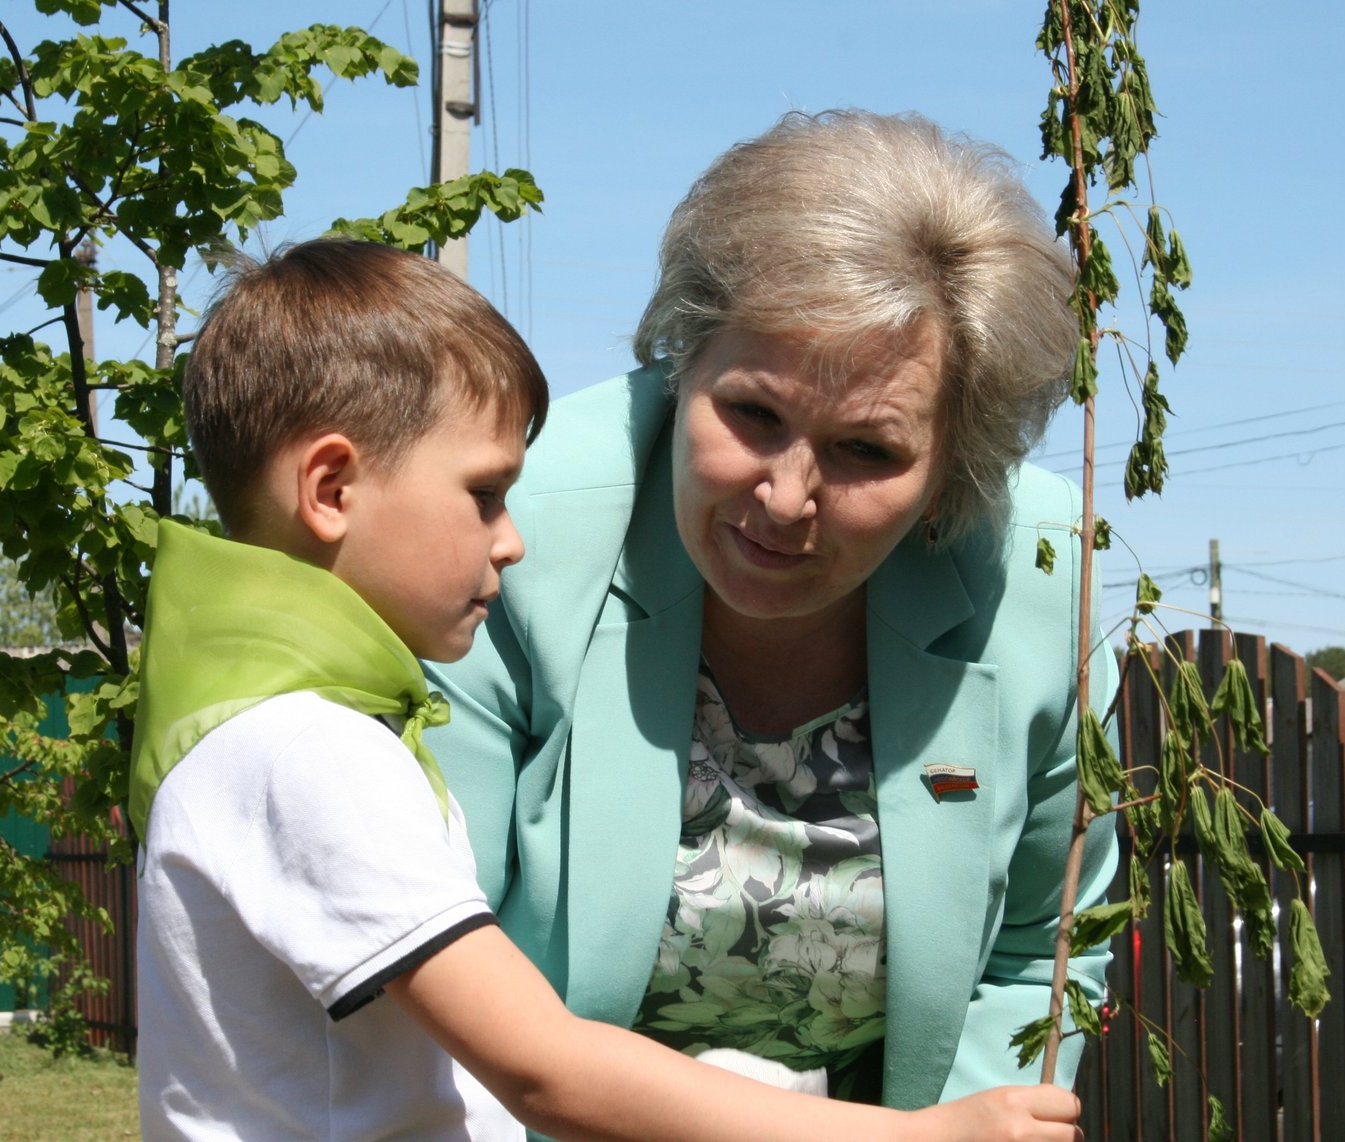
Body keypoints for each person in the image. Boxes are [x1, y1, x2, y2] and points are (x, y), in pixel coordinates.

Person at [130, 237, 1084, 1140]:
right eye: (486, 494)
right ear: (332, 489)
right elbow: (546, 1068)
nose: (513, 538)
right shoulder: (311, 758)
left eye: (863, 449)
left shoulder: (275, 732)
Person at [426, 109, 1119, 1116]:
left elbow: (1039, 961)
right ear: (683, 356)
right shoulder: (513, 535)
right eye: (752, 414)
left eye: (866, 451)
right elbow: (445, 953)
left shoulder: (1043, 574)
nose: (786, 497)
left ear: (950, 473)